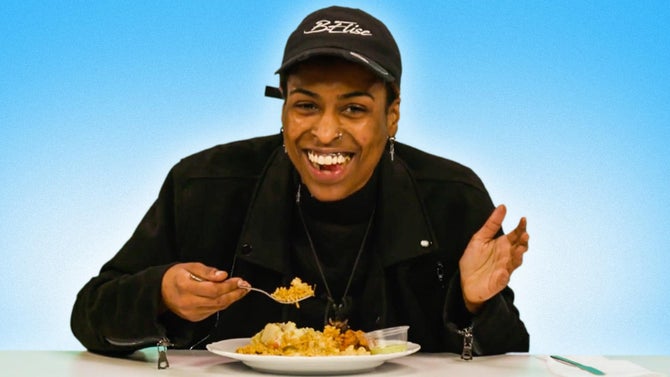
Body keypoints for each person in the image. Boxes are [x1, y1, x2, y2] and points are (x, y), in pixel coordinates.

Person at [71, 5, 529, 361]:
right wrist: (160, 293)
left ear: (392, 116)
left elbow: (510, 355)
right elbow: (90, 315)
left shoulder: (451, 196)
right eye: (306, 105)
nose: (325, 132)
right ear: (284, 106)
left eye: (353, 109)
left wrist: (473, 304)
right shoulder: (204, 187)